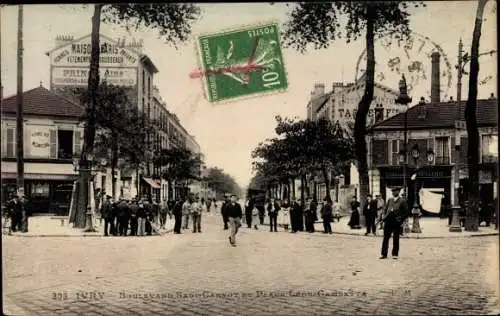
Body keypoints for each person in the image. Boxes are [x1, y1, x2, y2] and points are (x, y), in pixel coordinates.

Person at [380, 187, 409, 259]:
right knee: (385, 238)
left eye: (395, 191)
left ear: (398, 192)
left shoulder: (402, 201)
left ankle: (395, 254)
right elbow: (385, 209)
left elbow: (406, 212)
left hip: (396, 222)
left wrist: (400, 219)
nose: (393, 192)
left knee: (396, 238)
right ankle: (384, 254)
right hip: (388, 221)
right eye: (392, 191)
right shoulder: (390, 200)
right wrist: (384, 217)